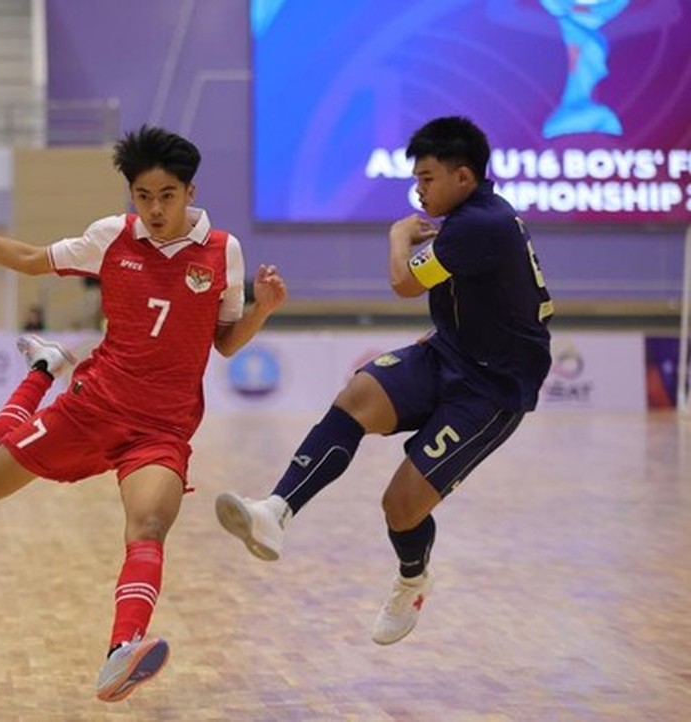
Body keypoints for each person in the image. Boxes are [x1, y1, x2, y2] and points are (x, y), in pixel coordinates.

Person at [0, 125, 288, 702]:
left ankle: (121, 651)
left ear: (190, 192)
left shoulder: (223, 251)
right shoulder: (111, 238)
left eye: (167, 196)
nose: (156, 209)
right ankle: (42, 369)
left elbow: (225, 342)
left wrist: (262, 311)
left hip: (163, 427)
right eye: (143, 196)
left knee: (148, 526)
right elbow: (29, 258)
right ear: (131, 197)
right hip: (94, 406)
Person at [216, 116, 553, 646]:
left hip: (492, 390)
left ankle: (412, 580)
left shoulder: (479, 225)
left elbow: (402, 282)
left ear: (464, 177)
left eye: (427, 178)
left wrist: (397, 235)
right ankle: (275, 512)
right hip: (449, 352)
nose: (418, 191)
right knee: (357, 396)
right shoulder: (471, 219)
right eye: (417, 180)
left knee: (400, 507)